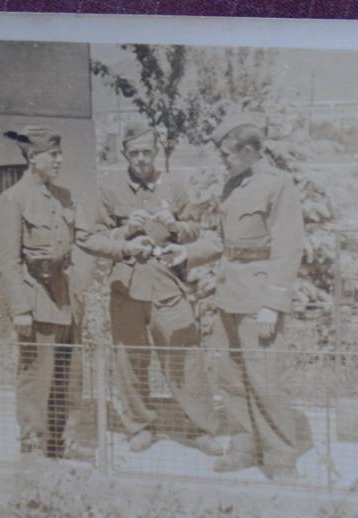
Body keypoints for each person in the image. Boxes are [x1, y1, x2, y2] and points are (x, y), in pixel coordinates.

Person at [162, 113, 312, 478]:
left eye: (227, 153)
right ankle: (244, 447)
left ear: (247, 150)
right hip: (229, 294)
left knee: (266, 381)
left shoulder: (278, 184)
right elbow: (221, 240)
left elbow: (288, 248)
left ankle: (280, 458)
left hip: (259, 299)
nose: (222, 160)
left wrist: (273, 304)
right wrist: (186, 253)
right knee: (232, 379)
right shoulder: (233, 184)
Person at [75, 122, 222, 456]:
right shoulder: (110, 190)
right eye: (134, 153)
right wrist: (126, 236)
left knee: (185, 357)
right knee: (130, 360)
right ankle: (139, 426)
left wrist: (176, 226)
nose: (141, 159)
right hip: (126, 289)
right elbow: (90, 238)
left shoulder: (175, 186)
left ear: (157, 151)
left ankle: (201, 427)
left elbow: (197, 230)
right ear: (124, 154)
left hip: (168, 286)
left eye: (146, 152)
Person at [0, 125, 92, 461]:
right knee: (36, 378)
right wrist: (20, 309)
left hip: (67, 301)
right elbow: (7, 262)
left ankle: (64, 442)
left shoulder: (64, 196)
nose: (60, 160)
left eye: (60, 154)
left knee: (70, 376)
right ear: (33, 157)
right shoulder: (12, 200)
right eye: (53, 155)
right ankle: (32, 445)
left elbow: (83, 242)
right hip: (36, 303)